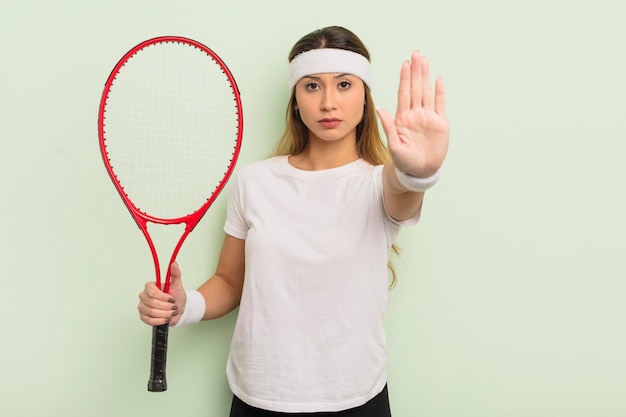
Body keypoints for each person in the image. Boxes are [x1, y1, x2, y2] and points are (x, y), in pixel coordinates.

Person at [137, 25, 449, 417]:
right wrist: (187, 306)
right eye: (313, 86)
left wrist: (419, 173)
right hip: (258, 395)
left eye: (345, 85)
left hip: (354, 397)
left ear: (365, 99)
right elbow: (231, 282)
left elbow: (403, 192)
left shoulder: (379, 182)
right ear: (296, 100)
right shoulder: (255, 181)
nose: (328, 102)